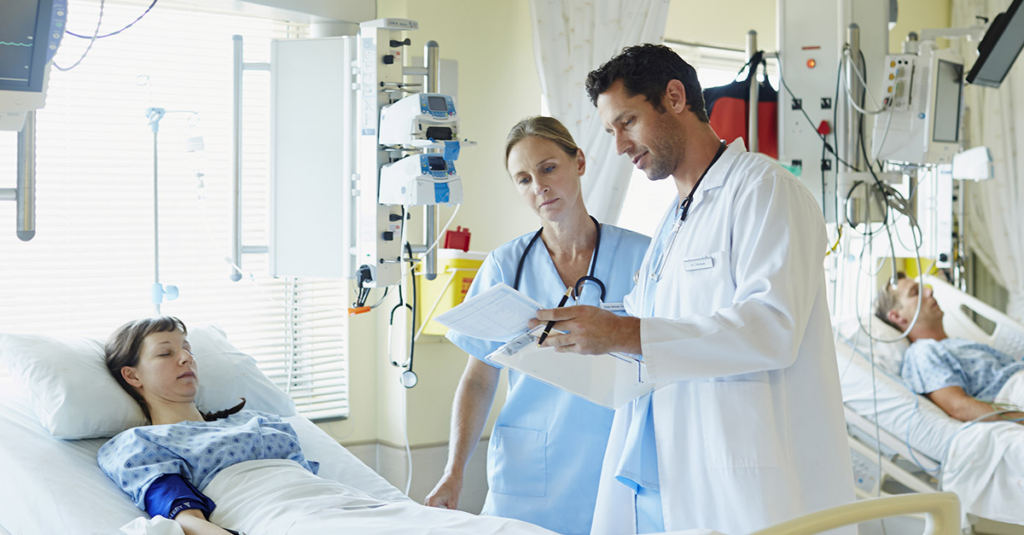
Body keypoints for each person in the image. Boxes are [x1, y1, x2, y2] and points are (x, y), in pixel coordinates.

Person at [530, 44, 855, 534]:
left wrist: (620, 334)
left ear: (675, 98)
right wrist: (579, 333)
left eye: (627, 122)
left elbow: (772, 327)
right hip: (680, 469)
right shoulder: (673, 220)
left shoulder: (765, 191)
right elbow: (657, 323)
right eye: (610, 131)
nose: (618, 146)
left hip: (753, 481)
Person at [98, 317, 557, 535]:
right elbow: (179, 512)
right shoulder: (140, 443)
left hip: (348, 509)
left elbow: (314, 482)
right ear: (133, 376)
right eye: (165, 352)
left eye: (187, 348)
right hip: (283, 521)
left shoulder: (261, 422)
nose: (185, 358)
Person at [424, 116, 650, 535]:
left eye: (548, 168)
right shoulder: (505, 265)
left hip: (616, 458)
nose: (539, 187)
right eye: (523, 179)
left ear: (579, 162)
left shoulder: (642, 255)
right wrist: (454, 472)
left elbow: (670, 353)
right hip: (529, 470)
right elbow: (479, 377)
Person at [875, 272, 1024, 422]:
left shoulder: (955, 343)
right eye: (916, 293)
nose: (929, 291)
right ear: (897, 316)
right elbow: (959, 407)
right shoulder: (923, 352)